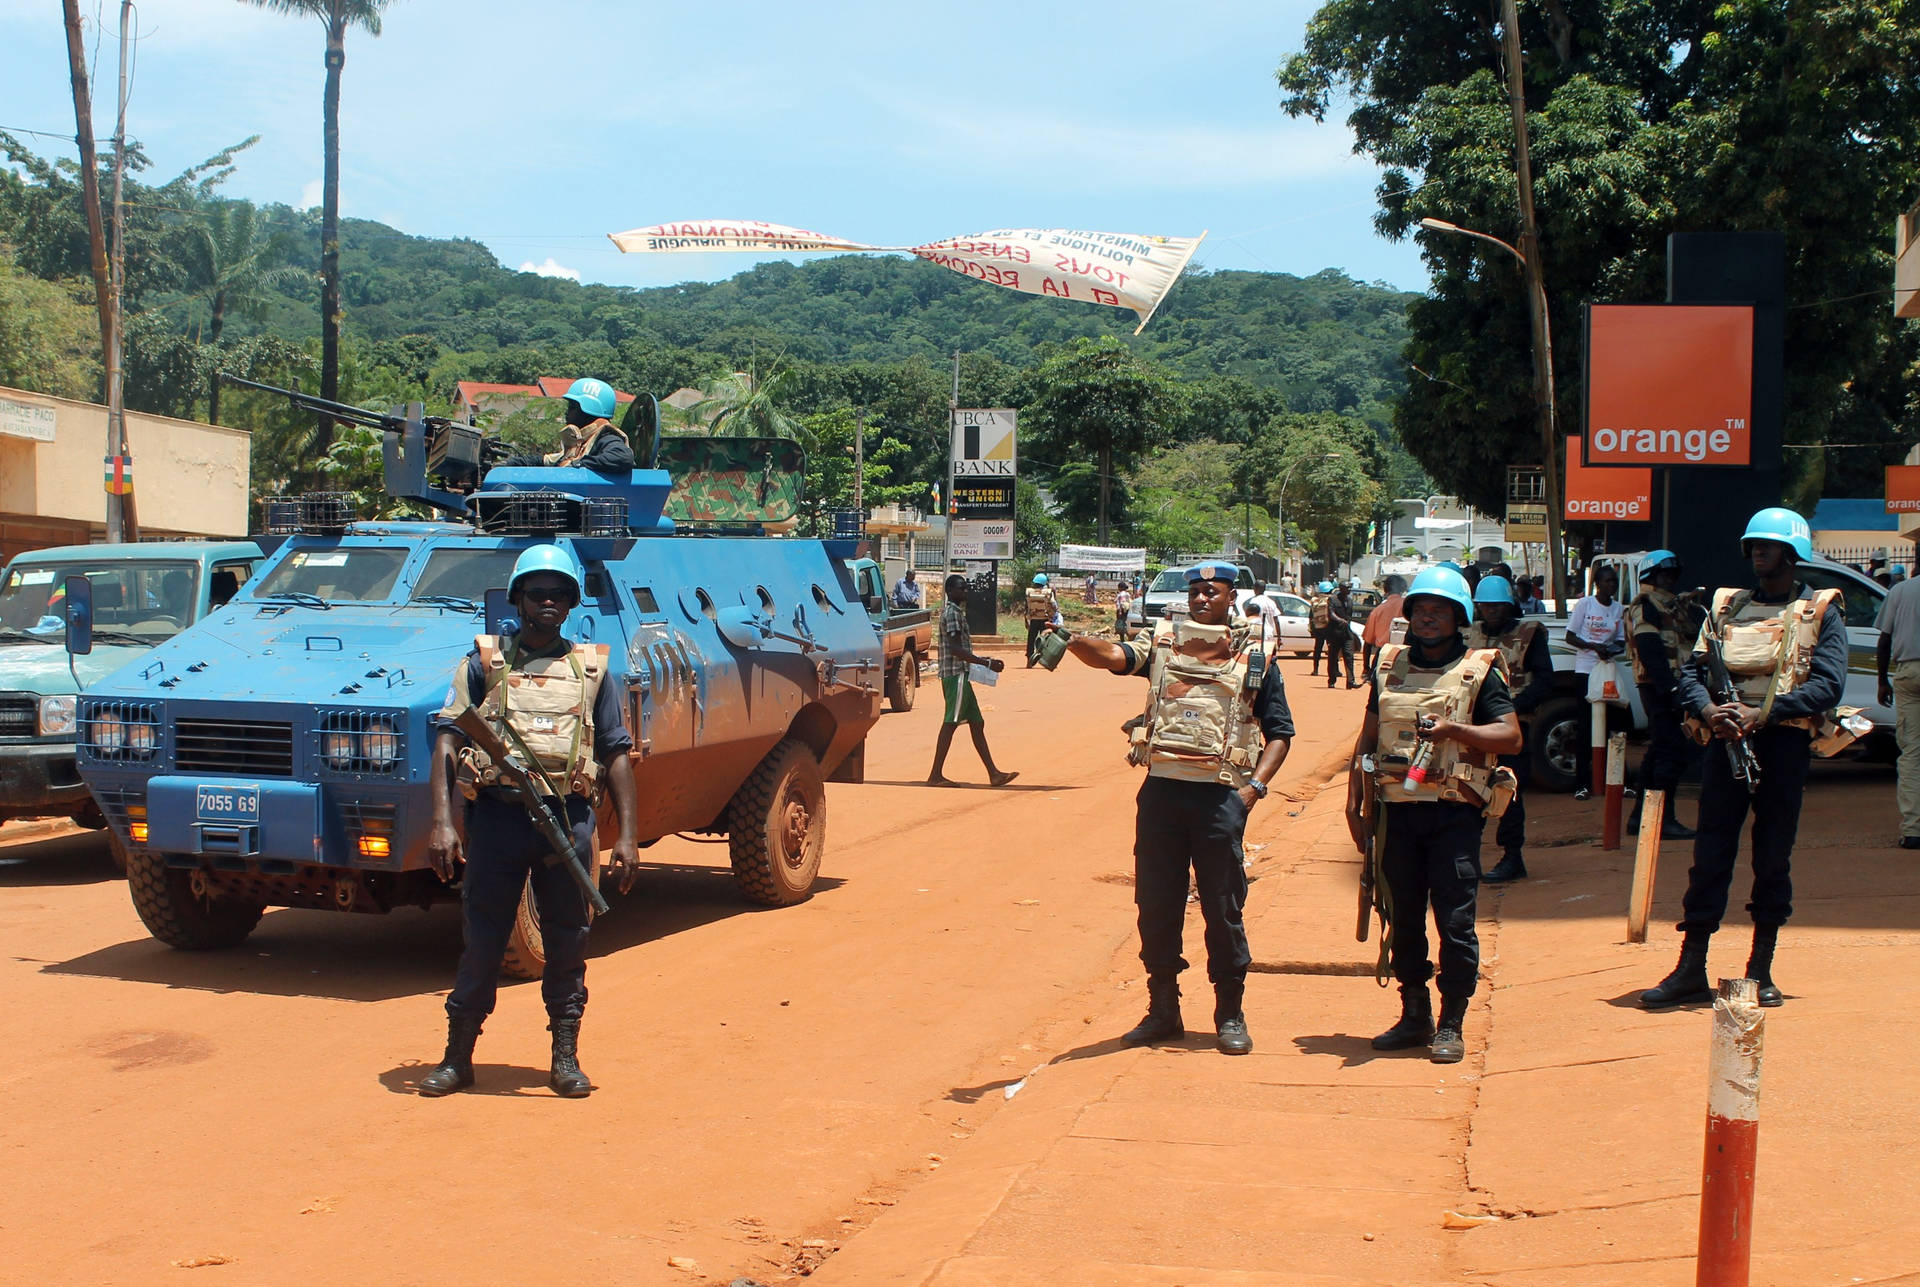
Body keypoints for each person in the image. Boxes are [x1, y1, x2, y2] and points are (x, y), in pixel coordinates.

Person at [419, 544, 641, 1098]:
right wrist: (443, 822)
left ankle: (564, 1058)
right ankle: (457, 1057)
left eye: (559, 593)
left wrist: (629, 837)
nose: (548, 601)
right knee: (483, 942)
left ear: (571, 603)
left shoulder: (592, 672)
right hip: (497, 821)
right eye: (537, 592)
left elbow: (616, 752)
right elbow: (448, 737)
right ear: (516, 598)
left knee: (568, 942)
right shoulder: (484, 665)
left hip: (567, 822)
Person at [1064, 562, 1294, 1055]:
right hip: (1162, 794)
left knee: (1223, 908)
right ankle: (1163, 1010)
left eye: (1211, 591)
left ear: (1231, 597)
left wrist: (1253, 789)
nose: (1200, 599)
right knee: (1156, 905)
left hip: (1219, 799)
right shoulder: (1164, 645)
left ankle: (1229, 1014)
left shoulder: (1256, 656)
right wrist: (1071, 639)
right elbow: (1114, 656)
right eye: (1194, 591)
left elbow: (1280, 734)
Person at [1639, 508, 1848, 1010]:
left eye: (1768, 545)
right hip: (1724, 742)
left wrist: (1764, 714)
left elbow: (1828, 684)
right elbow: (1690, 672)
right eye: (1753, 543)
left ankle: (1761, 967)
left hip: (1782, 747)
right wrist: (1712, 711)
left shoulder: (1820, 610)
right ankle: (1692, 967)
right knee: (1709, 856)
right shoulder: (1728, 608)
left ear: (1792, 554)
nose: (1757, 551)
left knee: (1772, 856)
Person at [1346, 565, 1522, 1063]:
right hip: (1394, 812)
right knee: (1401, 917)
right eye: (1420, 609)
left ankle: (1451, 1022)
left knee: (1455, 921)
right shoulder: (1387, 664)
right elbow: (1368, 735)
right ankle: (1414, 1013)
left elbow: (1510, 737)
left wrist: (1454, 732)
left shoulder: (1479, 669)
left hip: (1451, 815)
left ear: (1458, 616)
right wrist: (1353, 801)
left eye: (1438, 610)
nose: (1427, 618)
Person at [1466, 576, 1554, 882]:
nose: (1491, 611)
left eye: (1497, 605)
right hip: (1470, 729)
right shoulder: (1468, 634)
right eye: (1486, 605)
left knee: (1507, 790)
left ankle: (1512, 857)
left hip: (1512, 729)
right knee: (1466, 791)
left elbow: (1545, 680)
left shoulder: (1529, 634)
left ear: (1509, 605)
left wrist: (1510, 712)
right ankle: (1465, 857)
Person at [1625, 550, 1704, 840]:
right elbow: (1649, 648)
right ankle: (1662, 818)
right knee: (1670, 752)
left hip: (1671, 686)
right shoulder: (1646, 605)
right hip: (1660, 687)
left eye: (1673, 574)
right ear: (1650, 576)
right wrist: (1669, 688)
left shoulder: (1672, 605)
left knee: (1659, 750)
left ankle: (1639, 818)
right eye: (1664, 574)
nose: (1670, 579)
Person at [928, 573, 1017, 787]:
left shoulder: (956, 612)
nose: (965, 592)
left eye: (965, 588)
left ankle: (994, 773)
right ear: (950, 591)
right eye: (961, 588)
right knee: (950, 722)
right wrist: (985, 663)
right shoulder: (952, 614)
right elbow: (956, 649)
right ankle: (935, 775)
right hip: (955, 675)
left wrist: (982, 661)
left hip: (961, 675)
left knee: (977, 723)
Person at [1566, 564, 1628, 799]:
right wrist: (1593, 646)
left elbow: (1621, 640)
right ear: (1597, 584)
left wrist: (1611, 648)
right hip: (1585, 671)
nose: (1611, 585)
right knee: (1586, 726)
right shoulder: (1585, 605)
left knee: (1614, 723)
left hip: (1607, 671)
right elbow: (1570, 636)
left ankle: (1615, 780)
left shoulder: (1618, 609)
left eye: (1614, 581)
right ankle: (1582, 784)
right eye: (1607, 581)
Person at [498, 377, 635, 472]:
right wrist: (510, 463)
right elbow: (550, 460)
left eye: (572, 407)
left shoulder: (606, 437)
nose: (567, 413)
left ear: (588, 409)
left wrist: (576, 465)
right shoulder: (581, 441)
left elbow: (623, 458)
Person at [1877, 562, 1920, 848]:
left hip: (1909, 673)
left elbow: (1884, 639)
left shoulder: (1900, 591)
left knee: (1912, 752)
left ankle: (1913, 829)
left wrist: (1882, 681)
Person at [1363, 574, 1407, 677]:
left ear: (1385, 589)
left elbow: (1367, 643)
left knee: (1377, 690)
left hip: (1382, 657)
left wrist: (1366, 668)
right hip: (1406, 655)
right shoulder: (1410, 606)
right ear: (1403, 589)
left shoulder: (1377, 611)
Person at [1023, 572, 1061, 668]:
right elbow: (1054, 605)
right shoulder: (1048, 592)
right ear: (1045, 583)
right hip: (1045, 620)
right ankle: (1048, 661)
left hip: (1034, 619)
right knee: (1047, 640)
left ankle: (1029, 660)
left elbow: (1026, 606)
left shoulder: (1029, 592)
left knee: (1031, 639)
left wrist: (1026, 619)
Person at [1325, 580, 1359, 689]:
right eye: (1347, 588)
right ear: (1341, 588)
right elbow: (1331, 614)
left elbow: (1349, 617)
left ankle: (1350, 682)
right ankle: (1331, 680)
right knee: (1333, 658)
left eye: (1350, 588)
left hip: (1347, 634)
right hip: (1334, 633)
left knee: (1349, 657)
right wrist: (1340, 620)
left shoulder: (1350, 601)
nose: (1349, 590)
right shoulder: (1333, 599)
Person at [1308, 580, 1335, 675]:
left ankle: (1315, 670)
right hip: (1329, 627)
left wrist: (1311, 627)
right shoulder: (1332, 599)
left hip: (1318, 627)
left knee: (1317, 649)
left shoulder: (1315, 600)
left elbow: (1311, 616)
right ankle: (1334, 670)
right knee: (1332, 650)